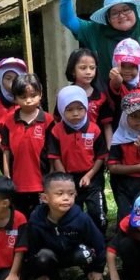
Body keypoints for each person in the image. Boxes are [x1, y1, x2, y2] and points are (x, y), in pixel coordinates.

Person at [24, 173, 106, 280]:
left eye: (71, 194)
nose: (66, 198)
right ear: (44, 198)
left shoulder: (81, 218)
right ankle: (50, 275)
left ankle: (88, 272)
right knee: (42, 256)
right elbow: (31, 249)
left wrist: (98, 270)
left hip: (74, 253)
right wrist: (38, 275)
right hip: (51, 256)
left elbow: (99, 243)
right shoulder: (36, 220)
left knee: (85, 253)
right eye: (60, 193)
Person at [46, 85, 108, 233]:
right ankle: (78, 240)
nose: (75, 113)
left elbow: (100, 156)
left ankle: (99, 241)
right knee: (72, 213)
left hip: (92, 176)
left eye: (80, 108)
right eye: (69, 109)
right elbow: (56, 158)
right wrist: (67, 180)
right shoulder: (56, 131)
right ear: (61, 110)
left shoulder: (94, 129)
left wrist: (89, 175)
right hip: (69, 178)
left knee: (97, 213)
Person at [0, 74, 49, 217]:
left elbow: (53, 153)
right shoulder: (8, 122)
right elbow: (6, 149)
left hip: (41, 182)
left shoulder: (48, 121)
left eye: (33, 95)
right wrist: (7, 174)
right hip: (17, 182)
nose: (28, 100)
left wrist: (51, 178)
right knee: (20, 218)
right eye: (22, 97)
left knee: (41, 218)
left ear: (40, 94)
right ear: (15, 98)